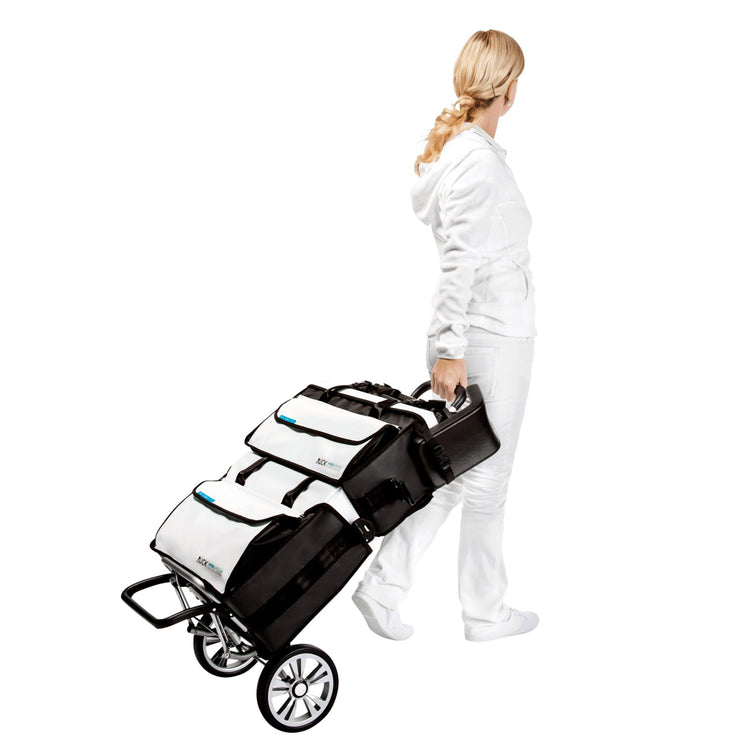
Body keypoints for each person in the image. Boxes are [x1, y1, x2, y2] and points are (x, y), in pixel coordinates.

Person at [351, 29, 538, 642]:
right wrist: (451, 349)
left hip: (473, 336)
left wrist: (451, 346)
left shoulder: (458, 151)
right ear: (507, 89)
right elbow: (461, 261)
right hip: (491, 338)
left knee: (456, 475)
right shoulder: (478, 162)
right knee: (488, 482)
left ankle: (383, 588)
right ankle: (485, 613)